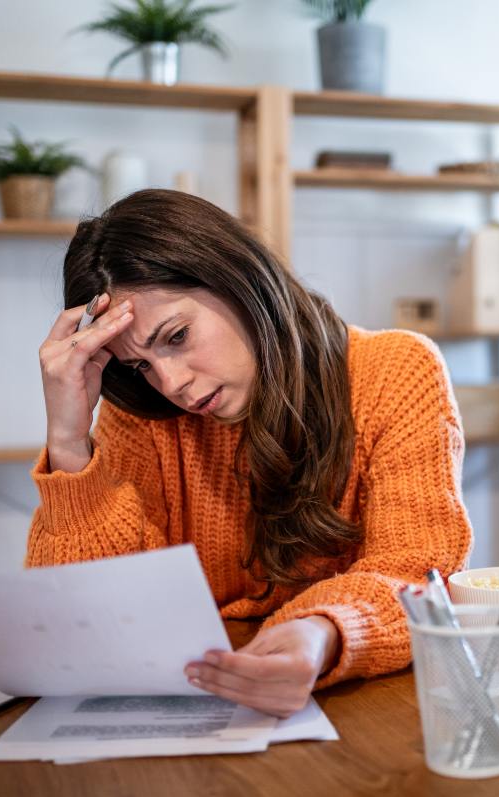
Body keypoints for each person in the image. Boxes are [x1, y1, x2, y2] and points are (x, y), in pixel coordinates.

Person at [27, 189, 472, 717]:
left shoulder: (396, 372)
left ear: (238, 281)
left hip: (359, 702)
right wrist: (68, 442)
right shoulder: (145, 416)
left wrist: (324, 631)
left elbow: (419, 573)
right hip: (204, 700)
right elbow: (89, 612)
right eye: (140, 365)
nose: (170, 382)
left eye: (177, 336)